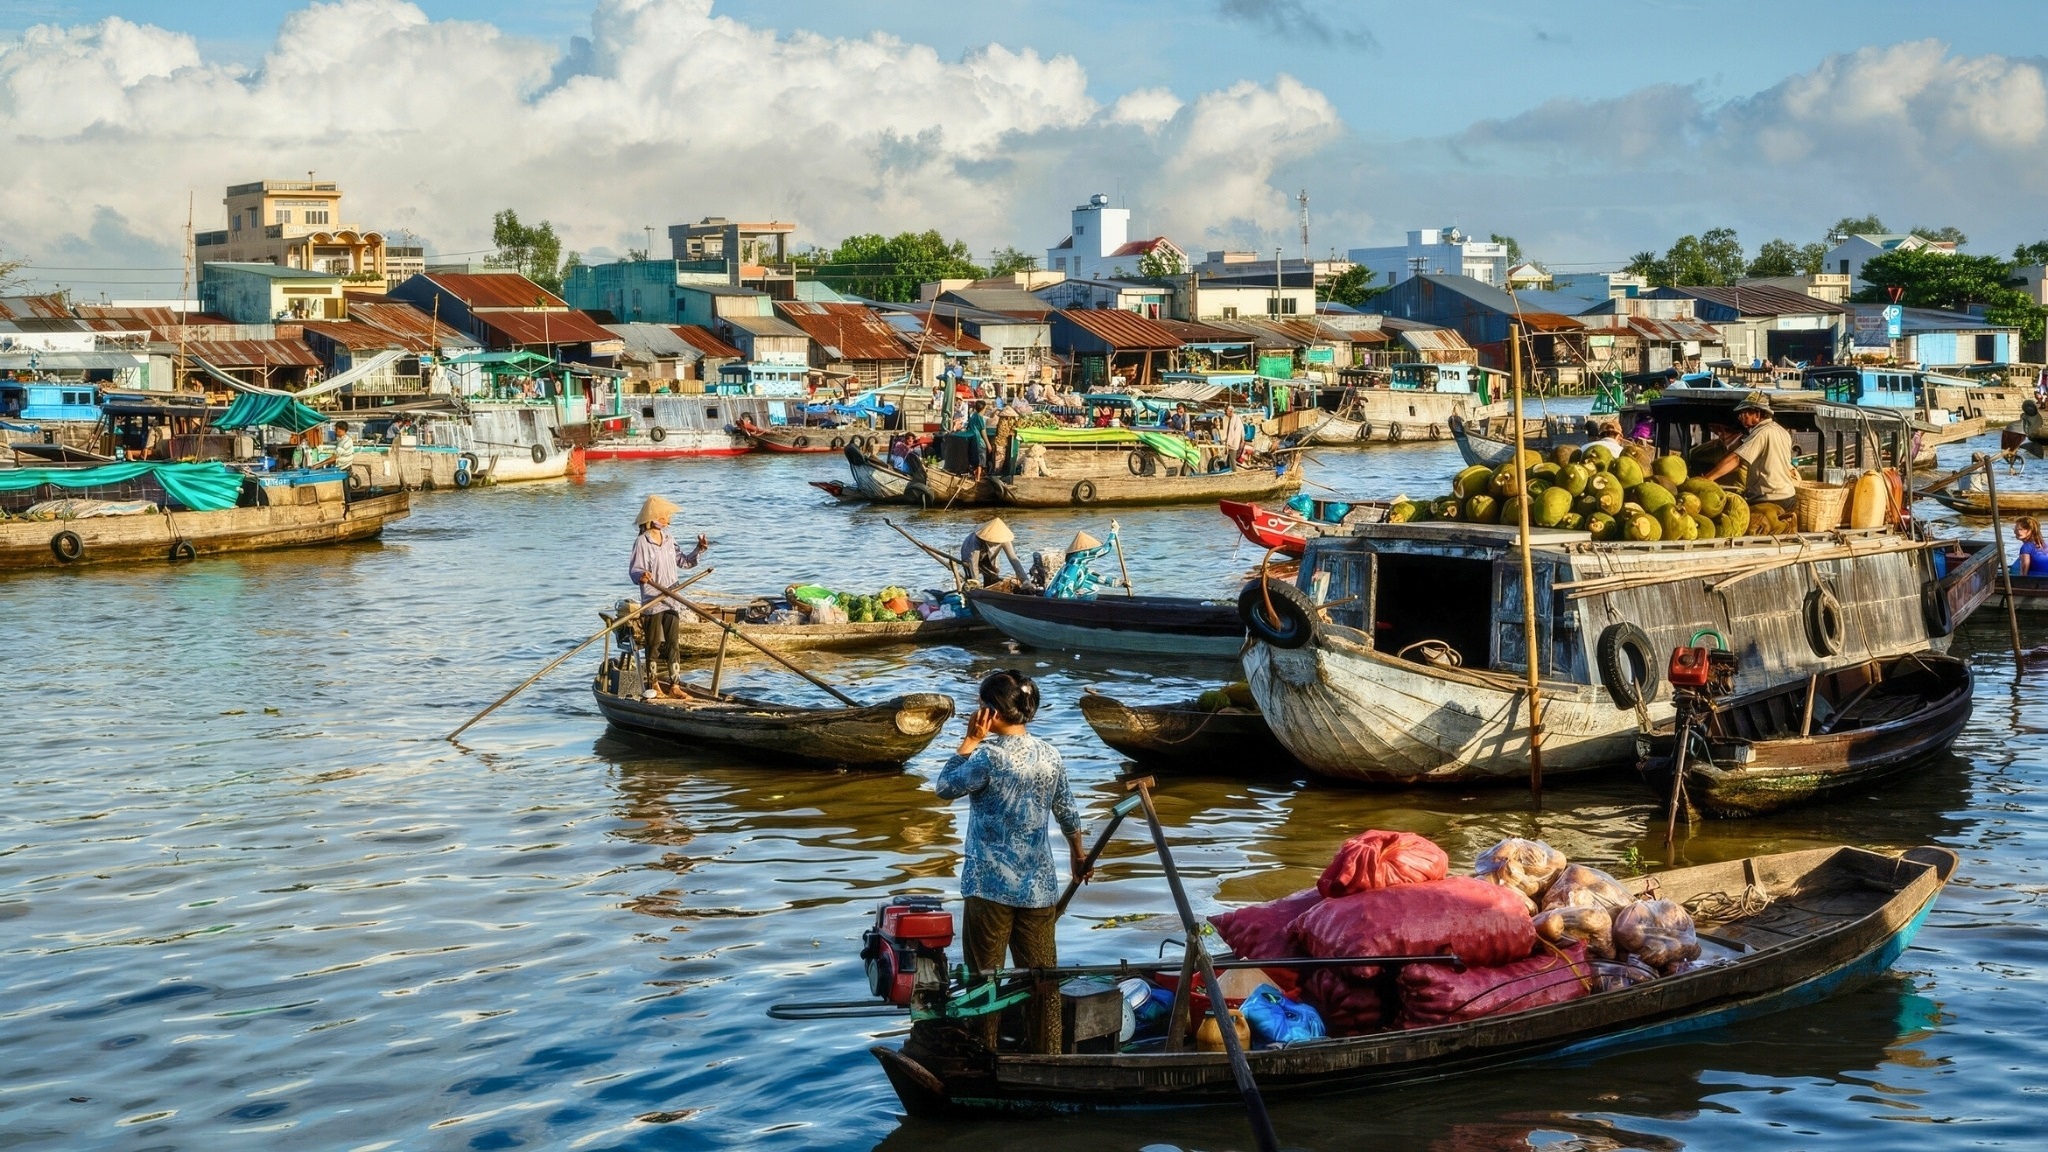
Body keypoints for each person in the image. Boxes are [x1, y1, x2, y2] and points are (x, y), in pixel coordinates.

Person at [933, 670, 1087, 1055]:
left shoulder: (987, 756)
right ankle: (1047, 1056)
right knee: (1042, 981)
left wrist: (969, 740)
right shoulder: (1050, 755)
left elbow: (944, 788)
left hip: (989, 888)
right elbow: (1067, 811)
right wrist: (1078, 853)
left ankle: (985, 1055)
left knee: (985, 981)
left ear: (991, 712)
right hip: (1039, 889)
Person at [627, 495, 708, 696]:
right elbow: (635, 569)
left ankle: (675, 686)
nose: (666, 519)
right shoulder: (642, 542)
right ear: (652, 518)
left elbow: (684, 562)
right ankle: (653, 684)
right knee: (653, 644)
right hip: (653, 600)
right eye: (663, 516)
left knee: (673, 643)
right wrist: (642, 576)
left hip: (672, 598)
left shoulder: (670, 539)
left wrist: (699, 549)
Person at [1701, 391, 1799, 504]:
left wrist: (1708, 478)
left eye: (1744, 413)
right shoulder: (1782, 431)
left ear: (1757, 414)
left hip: (1771, 498)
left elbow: (1736, 459)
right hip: (1788, 496)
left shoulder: (1762, 432)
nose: (1740, 417)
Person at [1046, 529, 1122, 599]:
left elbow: (1096, 578)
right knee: (1093, 589)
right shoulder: (1075, 562)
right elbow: (1104, 549)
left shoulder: (1080, 568)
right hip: (1060, 599)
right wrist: (1113, 533)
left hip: (1057, 597)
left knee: (1094, 588)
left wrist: (1119, 583)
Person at [959, 517, 1027, 586]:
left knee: (993, 575)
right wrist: (976, 583)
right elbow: (973, 564)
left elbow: (1014, 559)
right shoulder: (976, 540)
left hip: (990, 555)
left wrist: (1025, 580)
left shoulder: (1004, 538)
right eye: (994, 542)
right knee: (971, 578)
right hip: (969, 553)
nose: (996, 544)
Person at [963, 401, 992, 479]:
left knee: (974, 459)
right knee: (981, 460)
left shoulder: (973, 416)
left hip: (972, 439)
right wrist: (988, 444)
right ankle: (978, 478)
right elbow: (983, 432)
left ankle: (975, 475)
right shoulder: (980, 418)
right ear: (983, 408)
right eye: (985, 408)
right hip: (978, 440)